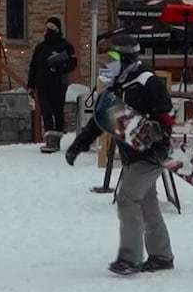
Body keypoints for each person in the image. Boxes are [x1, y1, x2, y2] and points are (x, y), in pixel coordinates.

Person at [63, 32, 176, 275]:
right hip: (131, 156)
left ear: (125, 58)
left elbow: (166, 115)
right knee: (147, 204)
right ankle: (162, 256)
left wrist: (158, 130)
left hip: (151, 155)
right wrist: (77, 146)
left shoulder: (148, 81)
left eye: (111, 57)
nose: (106, 63)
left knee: (127, 198)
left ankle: (130, 259)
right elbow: (99, 122)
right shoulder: (115, 88)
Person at [28, 16, 78, 153]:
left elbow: (73, 63)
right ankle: (50, 141)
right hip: (42, 84)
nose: (49, 30)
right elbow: (33, 66)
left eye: (52, 27)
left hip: (59, 84)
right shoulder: (40, 47)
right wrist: (30, 85)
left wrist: (59, 67)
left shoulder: (66, 46)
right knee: (46, 112)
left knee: (57, 111)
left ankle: (56, 139)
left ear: (58, 28)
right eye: (47, 27)